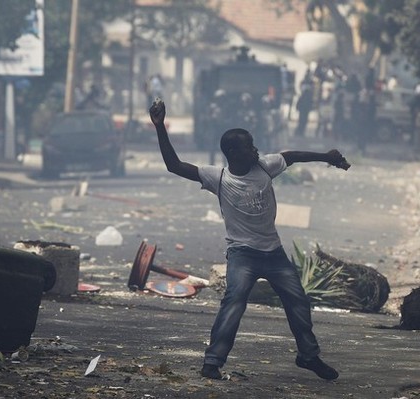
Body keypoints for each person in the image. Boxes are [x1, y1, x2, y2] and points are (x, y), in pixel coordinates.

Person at [149, 98, 350, 381]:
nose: (255, 149)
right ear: (233, 152)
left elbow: (291, 155)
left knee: (298, 301)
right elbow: (174, 165)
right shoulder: (217, 177)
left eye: (254, 144)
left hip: (274, 252)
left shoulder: (266, 166)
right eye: (248, 146)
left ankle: (308, 356)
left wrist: (326, 156)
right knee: (234, 300)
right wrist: (159, 127)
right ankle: (212, 362)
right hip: (242, 253)